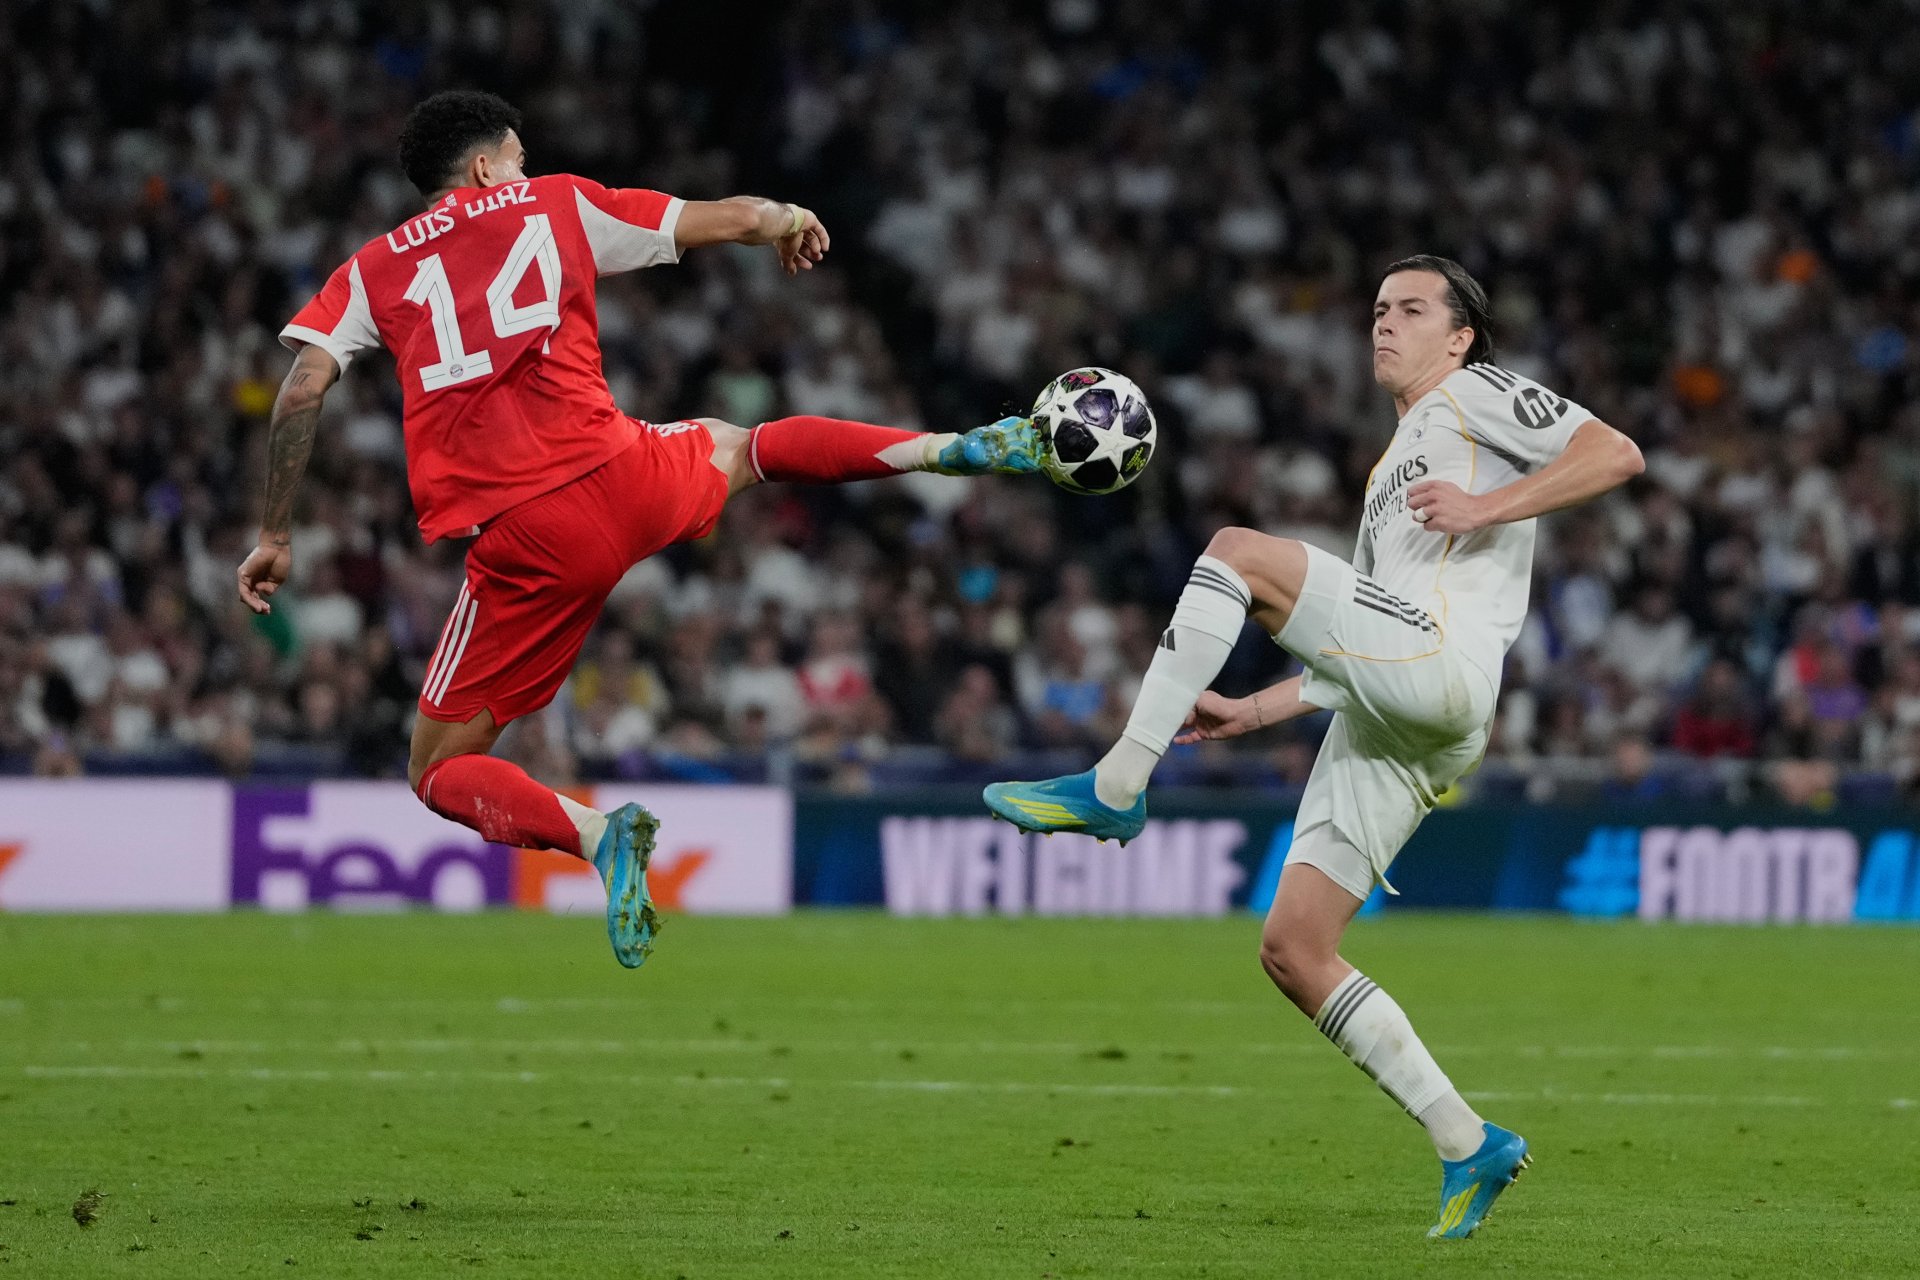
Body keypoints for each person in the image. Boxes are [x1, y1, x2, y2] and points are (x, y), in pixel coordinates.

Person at [236, 91, 1039, 968]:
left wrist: (276, 533)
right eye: (519, 158)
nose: (528, 172)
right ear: (485, 168)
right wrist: (788, 218)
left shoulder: (369, 270)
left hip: (528, 536)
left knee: (438, 770)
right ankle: (944, 448)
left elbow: (302, 389)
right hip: (627, 478)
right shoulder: (558, 204)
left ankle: (597, 836)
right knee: (745, 447)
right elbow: (732, 219)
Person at [984, 256, 1644, 1238]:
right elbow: (1357, 653)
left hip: (1448, 664)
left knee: (1236, 551)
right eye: (1378, 309)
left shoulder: (1474, 392)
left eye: (1411, 310)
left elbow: (1616, 452)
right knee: (1294, 948)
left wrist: (1486, 507)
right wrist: (1252, 711)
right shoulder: (1389, 474)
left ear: (1460, 337)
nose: (1385, 323)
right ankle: (1470, 1142)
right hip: (1405, 707)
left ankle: (1117, 784)